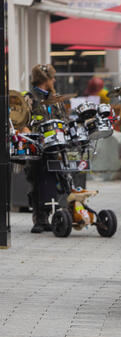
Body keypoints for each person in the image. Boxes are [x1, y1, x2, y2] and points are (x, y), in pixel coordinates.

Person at [24, 64, 64, 233]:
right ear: (45, 79)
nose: (54, 80)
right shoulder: (29, 98)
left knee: (52, 180)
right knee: (37, 179)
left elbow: (62, 119)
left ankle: (50, 213)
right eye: (52, 77)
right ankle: (39, 217)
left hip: (53, 144)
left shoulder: (53, 98)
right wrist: (28, 135)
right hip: (37, 145)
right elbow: (22, 120)